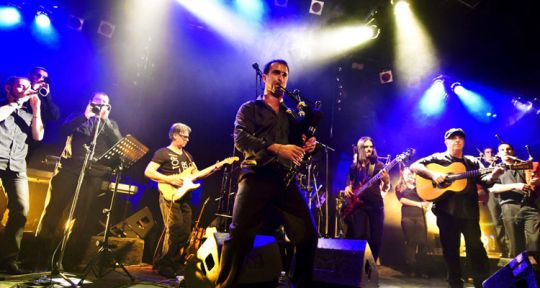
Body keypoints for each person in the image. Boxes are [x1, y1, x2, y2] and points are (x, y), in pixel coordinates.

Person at [215, 59, 318, 288]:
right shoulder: (249, 109)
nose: (280, 78)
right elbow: (241, 140)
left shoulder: (290, 116)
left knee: (308, 235)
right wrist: (277, 148)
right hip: (255, 175)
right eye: (275, 73)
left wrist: (308, 147)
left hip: (283, 180)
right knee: (239, 237)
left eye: (284, 75)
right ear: (264, 77)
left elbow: (298, 151)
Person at [36, 92, 122, 270]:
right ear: (90, 102)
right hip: (69, 170)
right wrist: (86, 116)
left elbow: (119, 145)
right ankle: (39, 258)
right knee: (55, 210)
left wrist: (105, 121)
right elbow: (63, 130)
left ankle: (69, 261)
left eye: (105, 103)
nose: (101, 105)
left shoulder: (111, 124)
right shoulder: (78, 117)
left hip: (94, 175)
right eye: (98, 102)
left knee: (82, 217)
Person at [411, 128, 503, 288]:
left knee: (476, 249)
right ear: (446, 141)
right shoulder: (438, 158)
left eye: (461, 137)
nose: (458, 139)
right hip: (446, 212)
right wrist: (433, 175)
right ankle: (455, 284)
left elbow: (485, 180)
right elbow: (415, 166)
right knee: (450, 251)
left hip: (469, 213)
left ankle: (481, 283)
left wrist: (494, 175)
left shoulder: (472, 162)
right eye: (453, 137)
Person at [0, 76, 44, 274]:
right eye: (21, 86)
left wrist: (36, 110)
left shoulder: (27, 113)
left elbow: (38, 135)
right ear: (8, 88)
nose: (25, 89)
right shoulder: (3, 106)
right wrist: (17, 102)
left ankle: (9, 261)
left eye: (28, 87)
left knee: (21, 211)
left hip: (17, 166)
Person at [144, 122, 198, 278]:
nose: (187, 139)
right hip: (170, 196)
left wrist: (215, 168)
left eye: (188, 137)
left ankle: (174, 263)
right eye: (184, 136)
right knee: (174, 229)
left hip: (185, 198)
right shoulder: (163, 153)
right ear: (174, 135)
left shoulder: (188, 156)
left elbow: (196, 174)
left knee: (185, 232)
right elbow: (148, 171)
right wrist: (169, 180)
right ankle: (164, 264)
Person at [341, 136, 389, 262]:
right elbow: (349, 184)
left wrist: (386, 181)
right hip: (358, 206)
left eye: (371, 147)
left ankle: (371, 265)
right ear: (360, 148)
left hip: (376, 205)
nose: (369, 149)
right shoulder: (354, 167)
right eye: (366, 147)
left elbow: (385, 188)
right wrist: (347, 188)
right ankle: (358, 264)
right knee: (359, 236)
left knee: (376, 237)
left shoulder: (379, 166)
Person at [489, 143, 540, 257]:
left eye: (509, 149)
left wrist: (536, 182)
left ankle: (535, 271)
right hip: (510, 207)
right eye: (502, 150)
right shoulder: (496, 170)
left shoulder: (525, 166)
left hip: (529, 205)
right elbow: (493, 188)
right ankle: (518, 273)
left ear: (513, 151)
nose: (506, 151)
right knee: (515, 245)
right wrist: (515, 186)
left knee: (535, 242)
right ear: (498, 154)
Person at [395, 166, 429, 277]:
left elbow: (427, 199)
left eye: (410, 173)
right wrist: (418, 204)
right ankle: (411, 269)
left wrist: (426, 204)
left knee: (422, 243)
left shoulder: (419, 187)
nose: (408, 175)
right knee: (411, 242)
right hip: (407, 217)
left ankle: (421, 269)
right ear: (402, 176)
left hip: (420, 216)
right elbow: (402, 200)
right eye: (406, 174)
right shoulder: (400, 187)